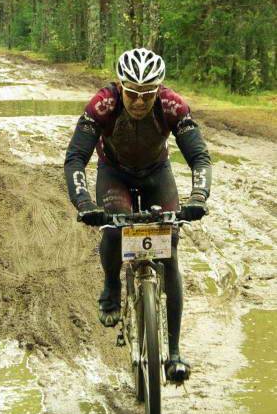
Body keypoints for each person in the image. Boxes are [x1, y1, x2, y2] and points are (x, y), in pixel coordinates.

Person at [64, 47, 212, 381]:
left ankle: (173, 353)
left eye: (148, 94)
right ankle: (111, 289)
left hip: (157, 173)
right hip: (114, 173)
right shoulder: (102, 104)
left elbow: (199, 157)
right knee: (115, 229)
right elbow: (75, 157)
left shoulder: (173, 105)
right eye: (133, 93)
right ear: (120, 86)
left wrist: (199, 196)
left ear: (159, 89)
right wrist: (85, 203)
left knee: (170, 252)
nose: (141, 102)